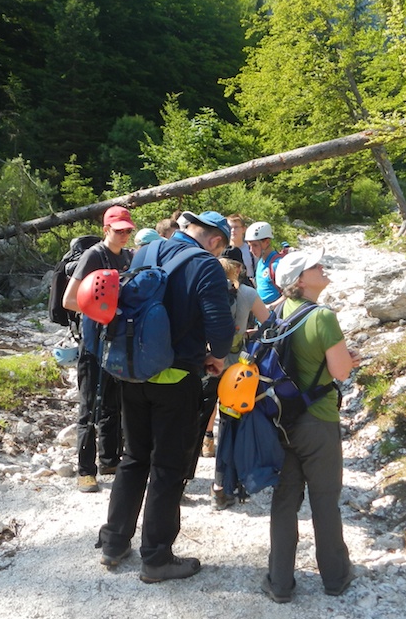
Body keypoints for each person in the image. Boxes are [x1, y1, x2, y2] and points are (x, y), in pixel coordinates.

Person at [97, 210, 235, 583]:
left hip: (133, 372)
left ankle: (113, 542)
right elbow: (220, 326)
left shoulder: (145, 251)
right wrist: (218, 356)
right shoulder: (206, 265)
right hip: (175, 378)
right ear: (216, 241)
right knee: (168, 466)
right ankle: (157, 558)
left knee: (134, 457)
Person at [261, 247, 361, 604]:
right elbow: (340, 372)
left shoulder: (278, 312)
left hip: (280, 419)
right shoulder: (322, 317)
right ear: (300, 281)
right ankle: (335, 577)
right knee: (324, 498)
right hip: (318, 420)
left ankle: (280, 582)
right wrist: (349, 360)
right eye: (314, 266)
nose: (322, 267)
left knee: (285, 500)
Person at [62, 205, 136, 493]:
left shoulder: (128, 257)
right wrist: (102, 311)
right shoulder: (94, 256)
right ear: (106, 229)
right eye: (119, 231)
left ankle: (109, 460)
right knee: (90, 405)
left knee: (114, 403)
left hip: (118, 342)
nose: (124, 235)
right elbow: (69, 300)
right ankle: (85, 470)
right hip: (93, 343)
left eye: (127, 230)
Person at [193, 254, 270, 510]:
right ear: (237, 269)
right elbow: (270, 324)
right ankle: (222, 488)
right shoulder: (247, 293)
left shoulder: (203, 288)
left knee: (195, 423)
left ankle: (178, 482)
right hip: (237, 371)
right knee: (229, 428)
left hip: (205, 364)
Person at [245, 221, 287, 306]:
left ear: (267, 242)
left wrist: (271, 307)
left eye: (255, 245)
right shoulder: (261, 262)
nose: (251, 250)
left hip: (274, 311)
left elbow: (289, 293)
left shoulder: (277, 264)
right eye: (249, 246)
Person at [226, 214, 256, 288]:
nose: (233, 230)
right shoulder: (222, 250)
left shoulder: (251, 250)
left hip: (248, 289)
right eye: (230, 227)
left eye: (236, 227)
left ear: (244, 229)